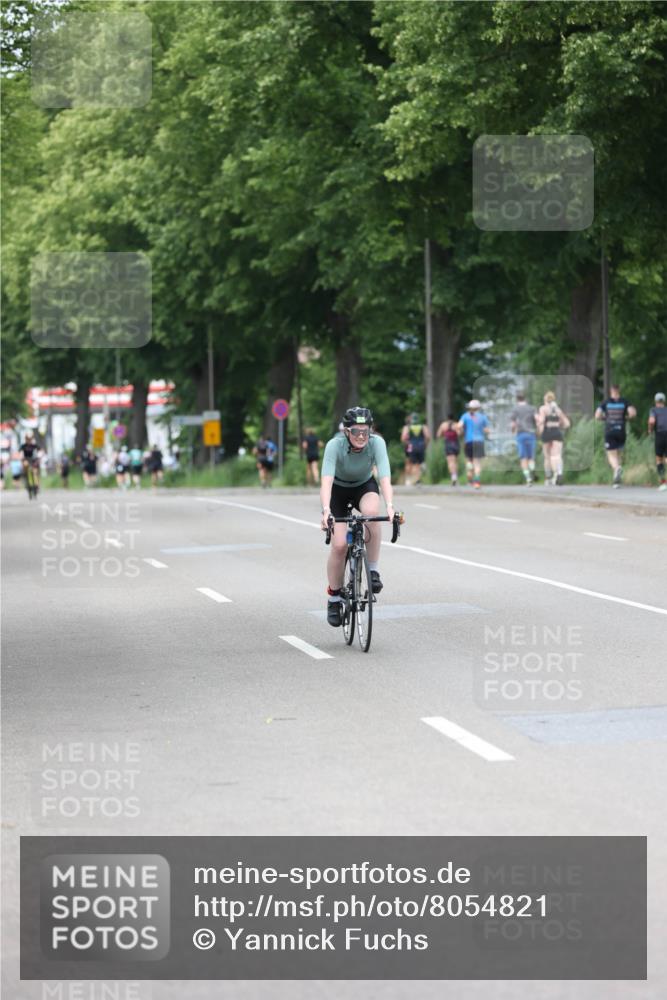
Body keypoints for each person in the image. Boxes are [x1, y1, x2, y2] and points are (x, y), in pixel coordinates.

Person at [320, 406, 394, 627]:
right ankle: (334, 598)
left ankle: (372, 571)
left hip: (363, 485)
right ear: (346, 432)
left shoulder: (377, 443)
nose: (361, 436)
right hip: (338, 492)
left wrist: (390, 506)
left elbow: (384, 476)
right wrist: (326, 511)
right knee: (340, 546)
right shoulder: (334, 446)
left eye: (365, 431)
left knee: (372, 513)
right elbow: (326, 481)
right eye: (356, 432)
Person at [595, 384, 636, 487]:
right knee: (618, 454)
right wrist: (626, 418)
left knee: (611, 454)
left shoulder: (606, 402)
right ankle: (617, 480)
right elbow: (632, 413)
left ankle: (617, 469)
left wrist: (604, 418)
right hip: (621, 430)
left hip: (610, 430)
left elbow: (597, 415)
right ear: (619, 391)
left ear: (611, 391)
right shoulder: (625, 401)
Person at [536, 391, 570, 485]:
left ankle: (548, 477)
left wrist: (538, 425)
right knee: (557, 455)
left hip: (547, 433)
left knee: (547, 457)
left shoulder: (543, 408)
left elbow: (542, 420)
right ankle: (558, 472)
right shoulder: (558, 410)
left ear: (545, 400)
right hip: (557, 432)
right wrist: (559, 425)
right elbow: (567, 424)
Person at [457, 400, 490, 489]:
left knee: (469, 460)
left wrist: (461, 432)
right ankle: (477, 481)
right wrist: (484, 432)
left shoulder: (465, 416)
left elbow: (459, 426)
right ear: (479, 407)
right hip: (479, 441)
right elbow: (487, 430)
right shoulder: (483, 417)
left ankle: (469, 475)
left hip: (469, 441)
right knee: (477, 462)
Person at [510, 392, 538, 485]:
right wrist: (537, 430)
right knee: (531, 457)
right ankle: (532, 469)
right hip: (531, 433)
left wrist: (513, 430)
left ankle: (528, 478)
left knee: (523, 457)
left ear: (517, 399)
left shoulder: (515, 409)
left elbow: (513, 423)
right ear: (525, 398)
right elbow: (537, 419)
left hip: (521, 434)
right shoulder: (532, 408)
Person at [400, 413, 431, 485]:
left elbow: (403, 438)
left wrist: (408, 444)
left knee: (412, 463)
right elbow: (428, 437)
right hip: (421, 446)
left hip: (411, 447)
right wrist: (425, 444)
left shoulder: (407, 427)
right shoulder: (423, 427)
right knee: (419, 464)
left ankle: (414, 479)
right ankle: (418, 478)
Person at [648, 391, 667, 491]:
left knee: (659, 459)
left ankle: (664, 483)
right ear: (664, 401)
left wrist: (650, 430)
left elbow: (651, 421)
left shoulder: (653, 410)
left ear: (655, 401)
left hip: (660, 434)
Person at [436, 414, 461, 485]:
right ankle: (455, 477)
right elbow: (459, 434)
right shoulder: (456, 424)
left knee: (450, 461)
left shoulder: (443, 425)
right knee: (455, 461)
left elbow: (438, 435)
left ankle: (453, 477)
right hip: (456, 443)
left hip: (448, 444)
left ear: (447, 418)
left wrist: (444, 435)